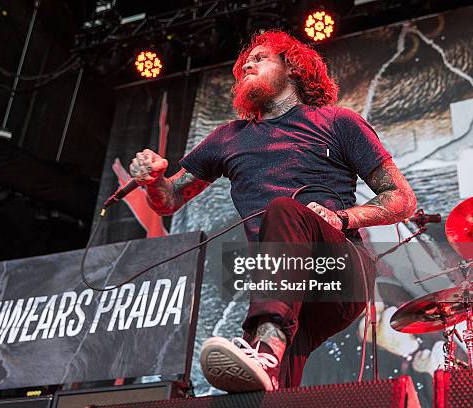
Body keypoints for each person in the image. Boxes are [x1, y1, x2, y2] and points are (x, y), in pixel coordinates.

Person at [128, 30, 417, 392]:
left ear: (293, 67)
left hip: (340, 272)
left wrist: (344, 217)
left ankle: (265, 345)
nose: (246, 64)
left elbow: (402, 198)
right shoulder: (227, 138)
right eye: (243, 63)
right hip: (281, 284)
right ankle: (268, 359)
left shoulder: (337, 122)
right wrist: (154, 180)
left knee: (284, 211)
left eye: (260, 57)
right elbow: (168, 199)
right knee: (265, 387)